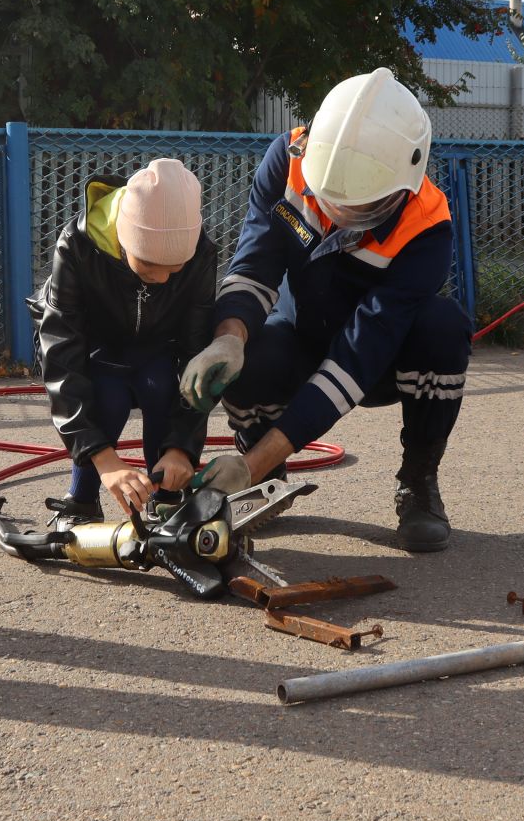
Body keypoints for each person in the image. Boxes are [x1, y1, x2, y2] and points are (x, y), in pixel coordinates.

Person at [179, 68, 471, 553]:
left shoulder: (428, 229)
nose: (334, 216)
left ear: (404, 185)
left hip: (376, 362)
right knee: (249, 350)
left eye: (355, 208)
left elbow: (358, 356)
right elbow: (254, 265)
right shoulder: (289, 160)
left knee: (444, 329)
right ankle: (265, 472)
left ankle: (418, 479)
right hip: (296, 338)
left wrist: (243, 471)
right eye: (327, 198)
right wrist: (228, 338)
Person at [31, 159, 218, 521]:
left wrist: (182, 447)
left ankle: (167, 497)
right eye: (148, 266)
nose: (162, 279)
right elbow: (62, 355)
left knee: (162, 385)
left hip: (155, 350)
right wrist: (105, 460)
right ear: (122, 239)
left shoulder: (202, 255)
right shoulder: (78, 245)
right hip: (94, 350)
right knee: (108, 396)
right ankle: (82, 497)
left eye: (174, 269)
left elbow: (198, 354)